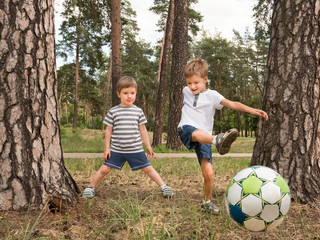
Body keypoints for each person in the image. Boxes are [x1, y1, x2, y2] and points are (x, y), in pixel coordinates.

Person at [178, 58, 268, 214]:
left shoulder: (213, 95)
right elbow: (190, 77)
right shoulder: (185, 91)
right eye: (189, 83)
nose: (192, 86)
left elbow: (232, 104)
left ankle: (206, 202)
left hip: (205, 137)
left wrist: (252, 110)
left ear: (205, 79)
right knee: (197, 133)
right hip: (187, 128)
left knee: (209, 173)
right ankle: (217, 140)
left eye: (196, 83)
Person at [83, 76, 174, 198]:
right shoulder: (113, 111)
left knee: (148, 169)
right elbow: (108, 131)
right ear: (118, 94)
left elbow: (143, 130)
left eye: (132, 93)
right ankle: (91, 187)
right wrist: (107, 148)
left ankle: (164, 187)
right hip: (117, 150)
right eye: (125, 93)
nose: (129, 96)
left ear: (136, 93)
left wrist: (148, 146)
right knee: (105, 169)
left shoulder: (138, 111)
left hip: (135, 149)